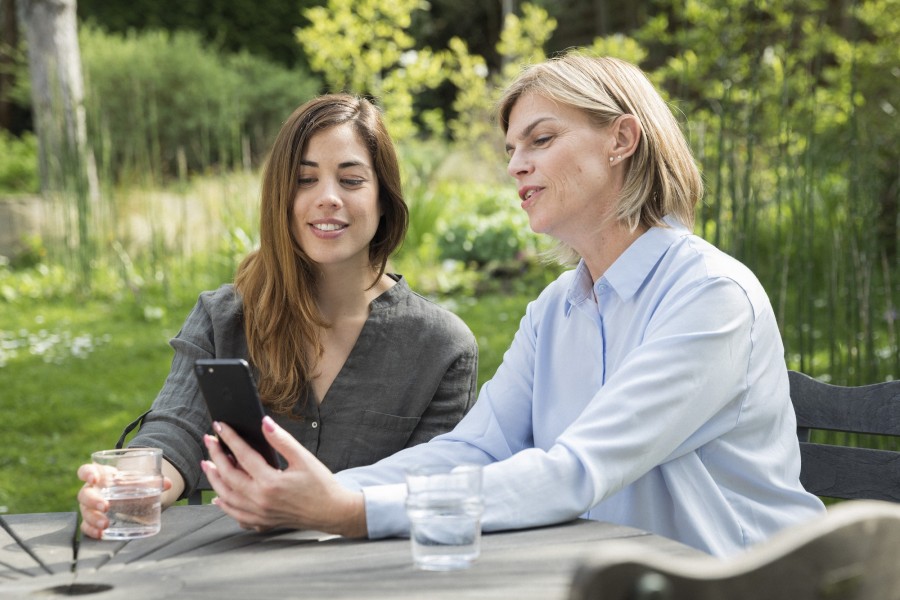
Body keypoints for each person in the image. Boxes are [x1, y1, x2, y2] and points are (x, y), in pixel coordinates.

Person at [198, 54, 826, 557]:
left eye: (540, 140)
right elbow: (473, 448)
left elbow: (575, 472)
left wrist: (348, 512)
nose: (517, 166)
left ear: (621, 139)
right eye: (509, 151)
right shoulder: (555, 311)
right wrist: (324, 491)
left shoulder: (710, 297)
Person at [76, 94, 479, 539]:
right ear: (280, 198)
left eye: (351, 180)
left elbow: (435, 492)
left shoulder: (442, 347)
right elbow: (177, 430)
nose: (327, 198)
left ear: (384, 199)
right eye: (305, 180)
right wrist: (132, 484)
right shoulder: (224, 317)